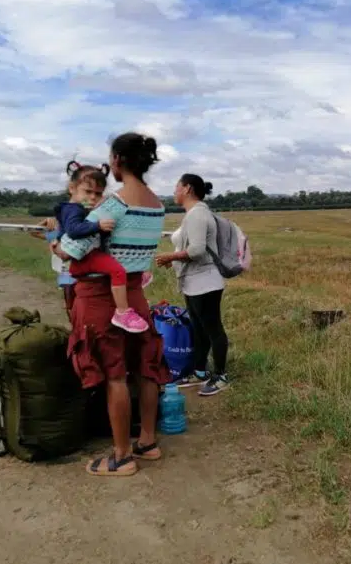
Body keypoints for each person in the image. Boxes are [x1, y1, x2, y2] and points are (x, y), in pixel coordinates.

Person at [52, 132, 168, 477]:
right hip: (134, 295)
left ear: (117, 161)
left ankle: (121, 456)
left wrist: (55, 244)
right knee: (147, 367)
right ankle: (147, 442)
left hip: (102, 297)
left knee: (115, 375)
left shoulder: (112, 204)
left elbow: (72, 250)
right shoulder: (157, 204)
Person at [155, 173, 230, 397]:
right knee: (199, 329)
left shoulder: (197, 215)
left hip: (205, 282)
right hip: (194, 282)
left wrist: (171, 256)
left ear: (187, 189)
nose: (174, 191)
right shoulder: (194, 213)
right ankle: (199, 371)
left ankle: (221, 376)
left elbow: (196, 250)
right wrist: (176, 258)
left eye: (176, 186)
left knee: (213, 329)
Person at [55, 160, 151, 333]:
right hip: (84, 258)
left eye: (98, 194)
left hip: (90, 255)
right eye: (88, 191)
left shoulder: (85, 209)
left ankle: (136, 274)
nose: (93, 197)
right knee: (117, 271)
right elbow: (73, 230)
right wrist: (97, 226)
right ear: (72, 188)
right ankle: (122, 312)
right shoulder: (73, 209)